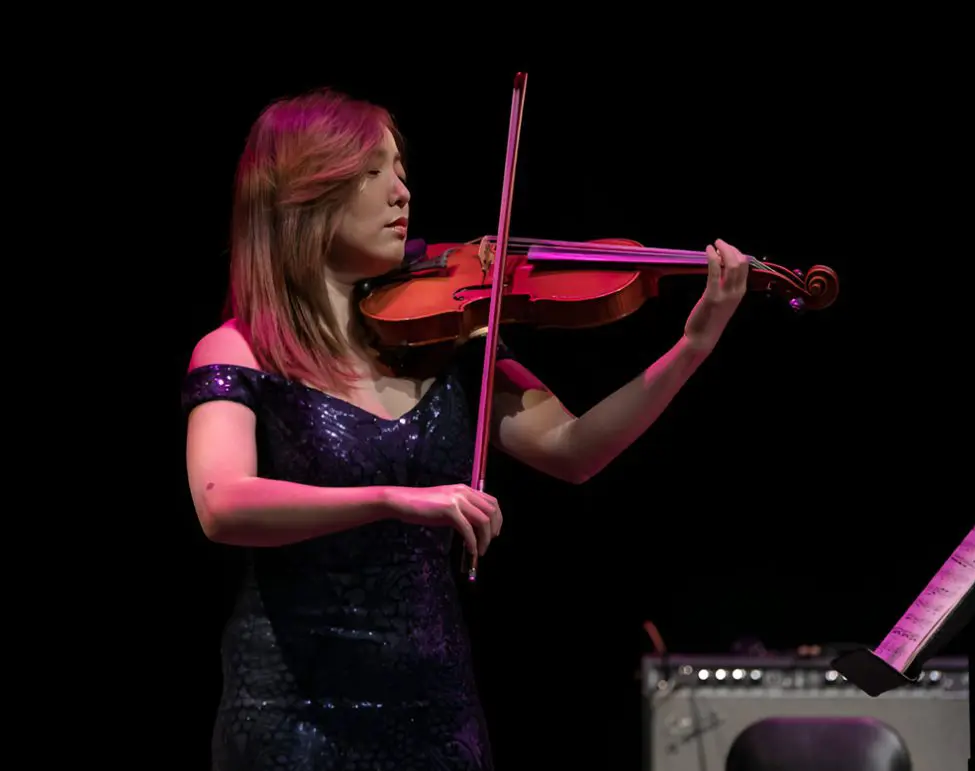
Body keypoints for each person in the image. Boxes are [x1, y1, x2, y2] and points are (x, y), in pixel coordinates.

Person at [182, 87, 750, 770]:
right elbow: (223, 502)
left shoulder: (448, 340)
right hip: (291, 716)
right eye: (374, 171)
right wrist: (395, 497)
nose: (401, 192)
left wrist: (691, 348)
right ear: (304, 192)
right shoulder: (237, 349)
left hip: (435, 711)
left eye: (401, 170)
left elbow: (575, 449)